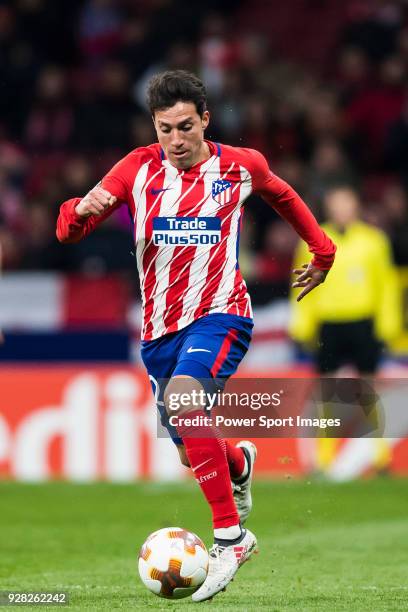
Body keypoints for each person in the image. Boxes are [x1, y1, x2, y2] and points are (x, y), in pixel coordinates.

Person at [56, 70, 336, 601]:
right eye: (165, 129)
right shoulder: (136, 169)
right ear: (154, 127)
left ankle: (231, 539)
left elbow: (285, 196)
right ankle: (239, 463)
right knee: (190, 450)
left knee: (186, 401)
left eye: (186, 127)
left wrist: (323, 251)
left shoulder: (239, 165)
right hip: (159, 332)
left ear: (206, 120)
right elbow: (69, 227)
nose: (176, 140)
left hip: (221, 315)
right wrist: (76, 213)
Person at [290, 185, 400, 474]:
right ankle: (324, 458)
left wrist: (388, 322)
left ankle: (380, 455)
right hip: (329, 324)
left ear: (356, 207)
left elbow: (386, 285)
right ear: (329, 209)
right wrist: (303, 323)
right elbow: (303, 284)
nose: (341, 210)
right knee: (327, 392)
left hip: (363, 323)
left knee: (369, 390)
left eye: (346, 204)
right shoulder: (312, 241)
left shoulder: (374, 241)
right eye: (336, 205)